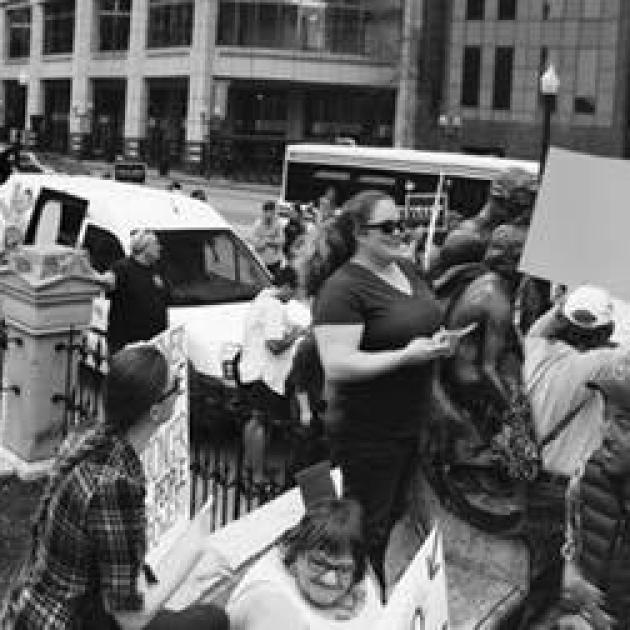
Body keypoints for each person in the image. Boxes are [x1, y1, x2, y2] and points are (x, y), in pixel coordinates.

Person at [0, 343, 229, 630]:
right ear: (156, 411)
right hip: (68, 621)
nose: (181, 390)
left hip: (49, 606)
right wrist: (194, 548)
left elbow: (115, 558)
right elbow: (131, 617)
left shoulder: (92, 437)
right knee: (213, 620)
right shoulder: (114, 484)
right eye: (176, 386)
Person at [307, 190, 458, 595]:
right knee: (364, 529)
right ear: (359, 234)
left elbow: (418, 325)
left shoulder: (407, 270)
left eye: (403, 224)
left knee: (390, 519)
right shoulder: (343, 290)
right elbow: (337, 363)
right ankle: (358, 600)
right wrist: (406, 356)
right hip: (366, 434)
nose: (400, 233)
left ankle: (368, 590)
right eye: (388, 227)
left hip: (408, 426)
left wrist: (440, 342)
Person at [534, 353, 630, 630]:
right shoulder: (587, 477)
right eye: (606, 416)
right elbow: (572, 545)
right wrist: (571, 579)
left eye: (623, 423)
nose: (606, 432)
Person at [226, 498, 382, 629]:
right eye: (318, 564)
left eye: (343, 569)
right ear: (295, 555)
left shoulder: (366, 589)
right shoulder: (268, 603)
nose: (330, 579)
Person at [523, 285, 619, 479]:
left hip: (531, 479)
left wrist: (563, 304)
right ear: (607, 331)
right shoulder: (601, 363)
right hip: (567, 488)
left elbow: (539, 329)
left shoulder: (535, 347)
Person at [238, 265, 306, 480]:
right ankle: (258, 475)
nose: (294, 296)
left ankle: (250, 466)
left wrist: (295, 328)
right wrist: (294, 336)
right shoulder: (273, 307)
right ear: (286, 286)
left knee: (254, 420)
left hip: (251, 369)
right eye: (293, 291)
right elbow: (274, 344)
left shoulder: (263, 299)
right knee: (261, 421)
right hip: (264, 374)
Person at [100, 229, 170, 354]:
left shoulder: (156, 269)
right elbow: (104, 283)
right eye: (156, 244)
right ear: (144, 247)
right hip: (127, 345)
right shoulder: (122, 268)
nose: (160, 247)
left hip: (153, 343)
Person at [251, 200, 285, 278]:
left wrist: (268, 240)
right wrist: (266, 241)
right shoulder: (258, 225)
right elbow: (256, 244)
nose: (274, 215)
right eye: (272, 212)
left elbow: (282, 240)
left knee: (274, 283)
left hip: (275, 261)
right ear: (265, 212)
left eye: (274, 212)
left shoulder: (278, 224)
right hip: (261, 262)